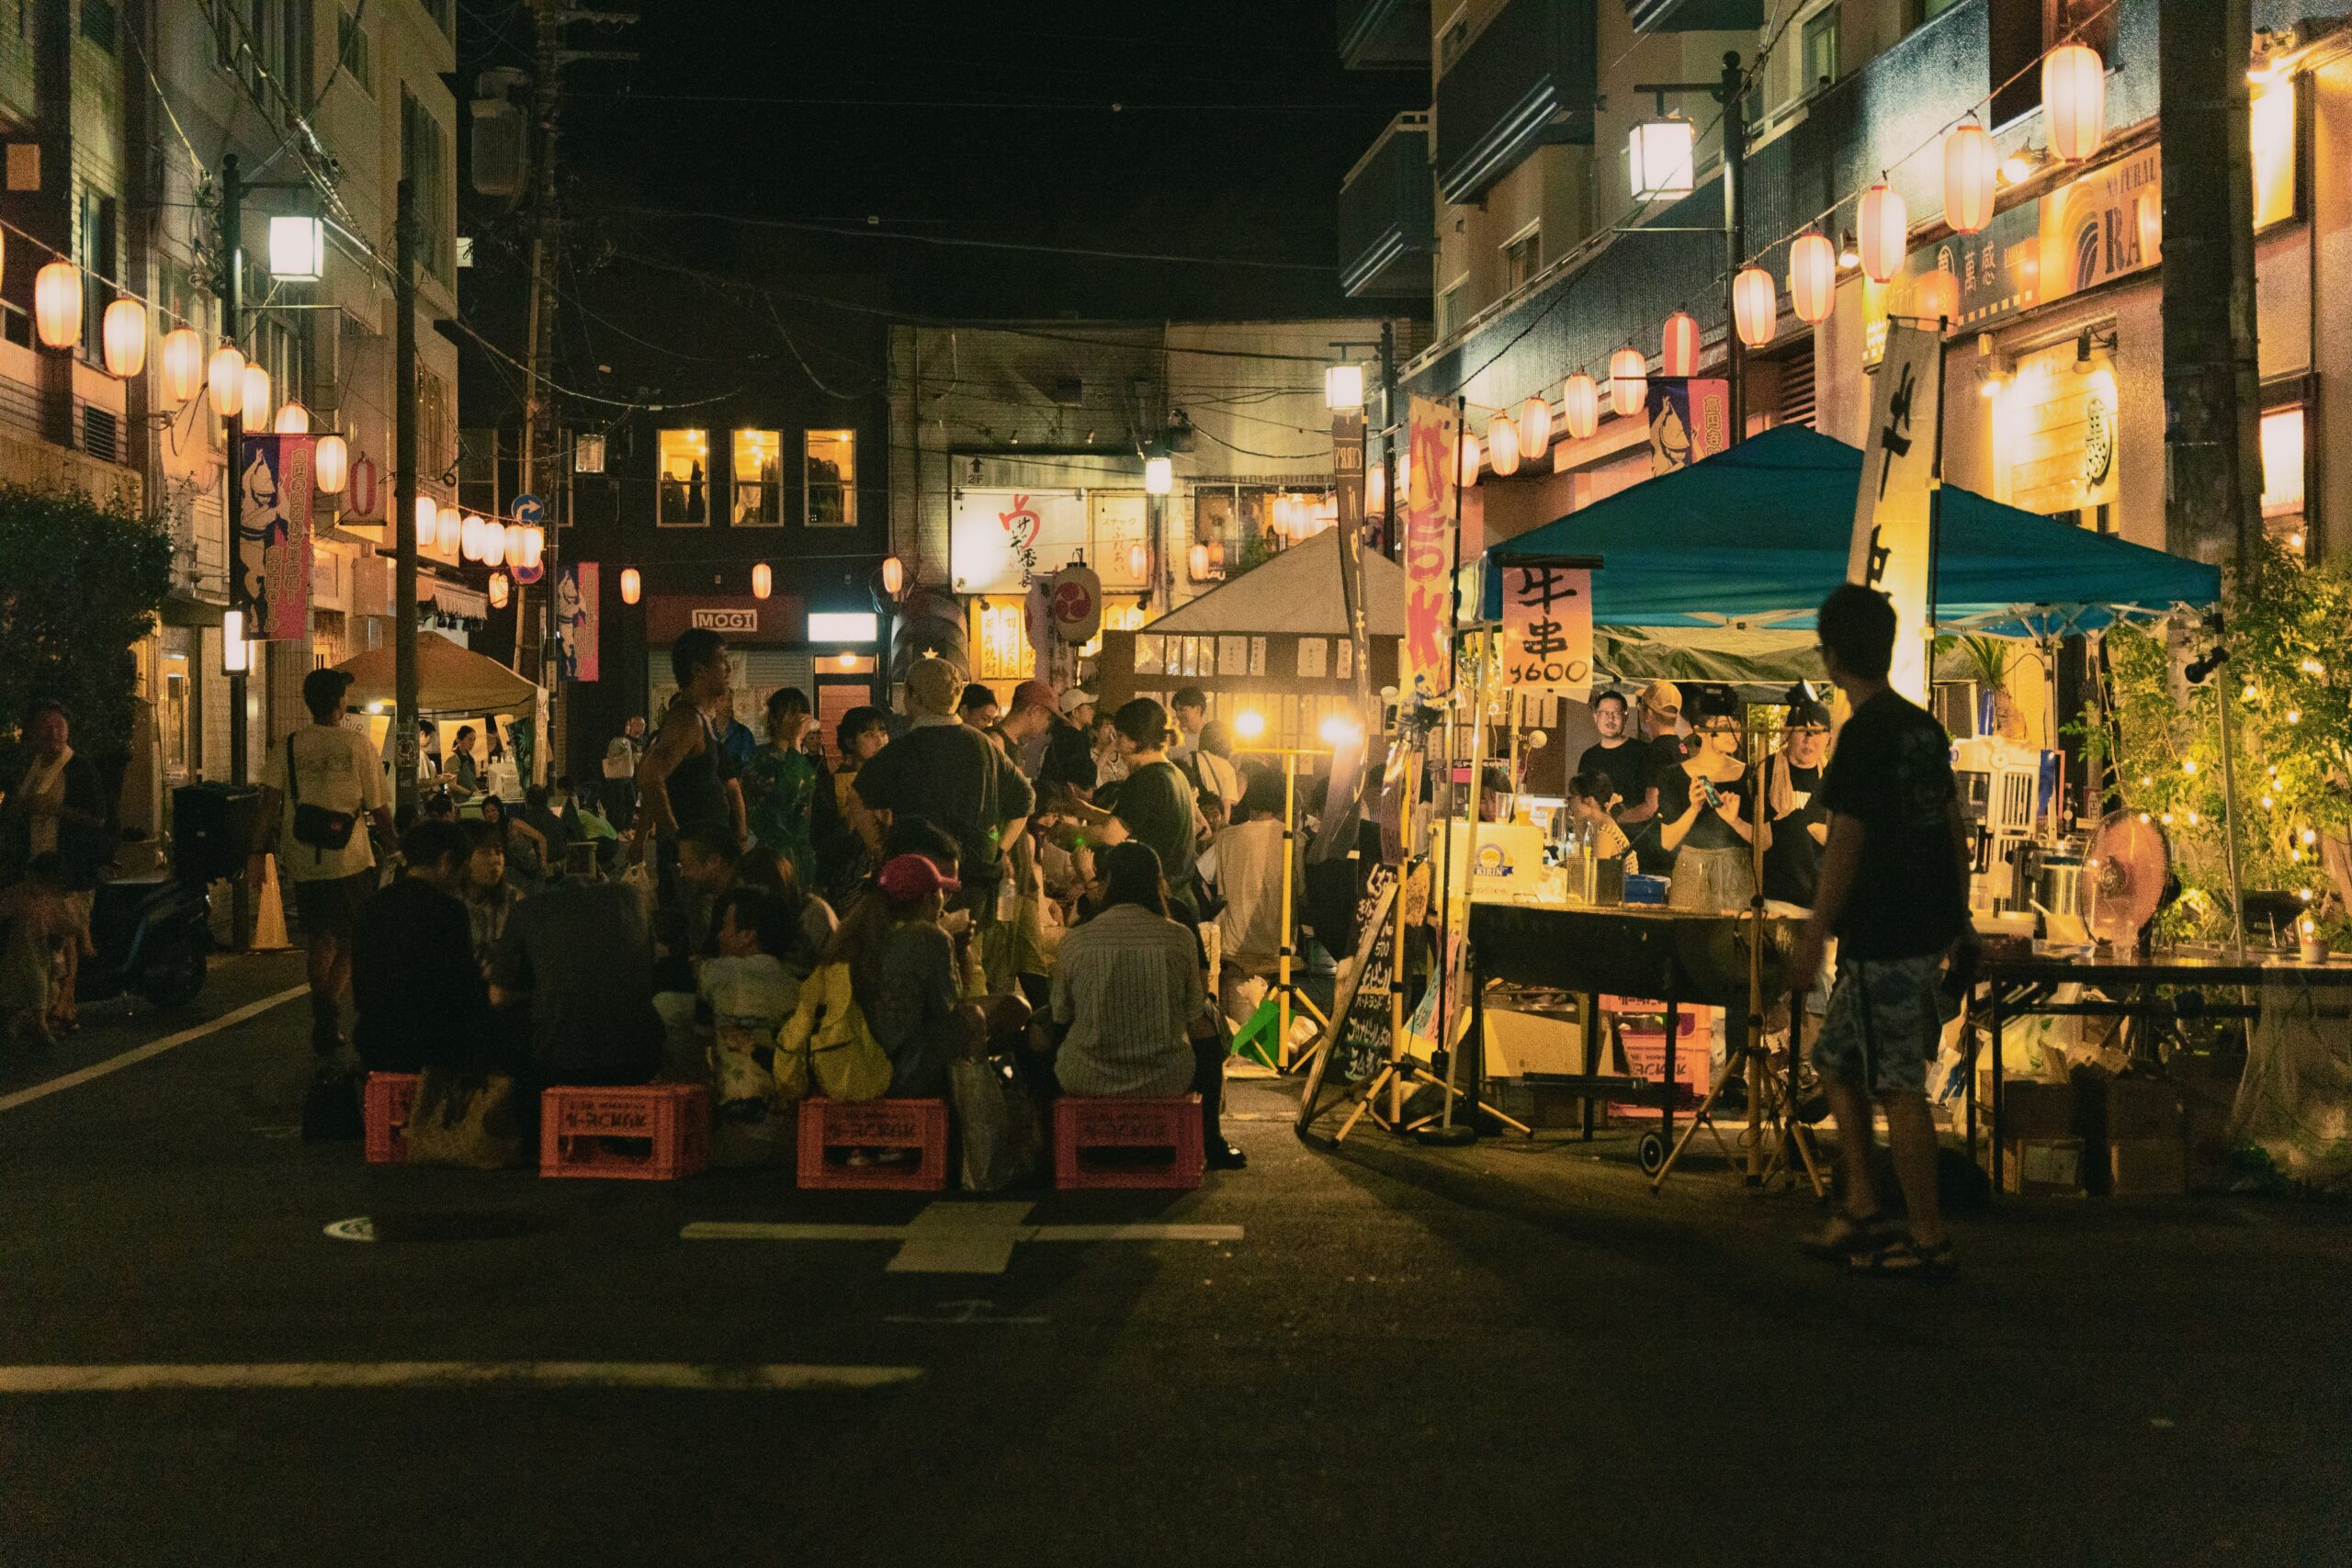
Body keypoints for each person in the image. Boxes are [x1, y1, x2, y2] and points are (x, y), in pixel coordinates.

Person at [1790, 584, 1970, 1278]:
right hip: (1924, 926)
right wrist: (1962, 918)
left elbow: (1846, 844)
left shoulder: (1862, 737)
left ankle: (1927, 1235)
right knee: (1834, 1061)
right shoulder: (1923, 729)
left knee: (1898, 1084)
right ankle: (1861, 1205)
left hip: (1882, 936)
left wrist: (1814, 935)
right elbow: (1953, 824)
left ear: (1834, 657)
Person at [1051, 842, 1244, 1168]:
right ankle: (1211, 1139)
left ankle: (1049, 1147)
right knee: (1205, 1027)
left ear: (1107, 881)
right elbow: (1194, 1011)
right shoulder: (1179, 935)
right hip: (1166, 1077)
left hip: (1086, 1077)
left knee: (1039, 1032)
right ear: (1159, 882)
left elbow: (1060, 1015)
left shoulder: (1076, 938)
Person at [250, 671, 394, 1055]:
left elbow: (268, 805)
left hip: (302, 855)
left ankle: (323, 1013)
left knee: (320, 936)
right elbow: (379, 809)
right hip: (349, 858)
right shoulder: (358, 745)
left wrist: (255, 853)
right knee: (352, 938)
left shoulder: (289, 744)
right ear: (340, 703)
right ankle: (327, 1009)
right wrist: (397, 846)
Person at [854, 656, 1033, 923]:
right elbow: (1026, 800)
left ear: (915, 697)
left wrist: (881, 850)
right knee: (968, 953)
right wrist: (998, 851)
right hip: (975, 881)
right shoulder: (986, 747)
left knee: (919, 952)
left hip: (917, 881)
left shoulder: (903, 750)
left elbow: (857, 797)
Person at [489, 870, 664, 1089]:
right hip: (640, 1058)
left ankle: (531, 1114)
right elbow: (649, 969)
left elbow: (497, 997)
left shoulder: (526, 909)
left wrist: (539, 990)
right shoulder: (633, 899)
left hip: (562, 1064)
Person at [351, 818, 486, 1075]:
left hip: (376, 1040)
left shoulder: (372, 906)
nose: (463, 876)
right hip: (431, 1047)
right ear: (446, 861)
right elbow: (459, 989)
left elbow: (361, 984)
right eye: (463, 867)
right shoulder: (448, 911)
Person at [824, 852, 966, 1099]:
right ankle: (974, 1131)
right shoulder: (930, 938)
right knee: (973, 1020)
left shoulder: (855, 935)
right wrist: (961, 951)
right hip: (904, 1074)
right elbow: (948, 1008)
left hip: (846, 1065)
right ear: (929, 899)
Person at [633, 626, 748, 864]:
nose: (729, 668)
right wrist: (680, 842)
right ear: (699, 670)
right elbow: (650, 777)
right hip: (693, 869)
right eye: (722, 659)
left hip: (703, 861)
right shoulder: (687, 719)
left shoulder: (698, 718)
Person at [1090, 698, 1206, 923]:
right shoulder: (1172, 773)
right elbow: (1133, 820)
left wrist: (1068, 833)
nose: (1117, 746)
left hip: (1158, 906)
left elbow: (1111, 835)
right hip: (1181, 903)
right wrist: (1085, 810)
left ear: (1137, 739)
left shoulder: (1147, 778)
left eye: (1120, 737)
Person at [699, 886, 801, 1140]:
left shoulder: (716, 974)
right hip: (787, 1137)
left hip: (728, 1140)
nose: (719, 935)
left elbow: (698, 1033)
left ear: (747, 936)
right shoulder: (797, 985)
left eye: (725, 926)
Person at [1656, 694, 1768, 913]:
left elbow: (1764, 841)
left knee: (1737, 941)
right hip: (1692, 868)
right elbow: (1667, 841)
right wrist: (1694, 808)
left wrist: (1734, 821)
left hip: (1738, 868)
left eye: (1737, 724)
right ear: (1701, 731)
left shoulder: (1750, 775)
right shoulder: (1674, 776)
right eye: (1725, 725)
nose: (1734, 731)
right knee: (1691, 939)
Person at [1206, 763, 1290, 1028]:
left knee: (1239, 1035)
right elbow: (1300, 894)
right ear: (1282, 801)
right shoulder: (1292, 838)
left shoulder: (1226, 838)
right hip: (1278, 947)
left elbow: (1216, 888)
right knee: (1268, 1036)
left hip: (1232, 948)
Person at [0, 852, 88, 1048]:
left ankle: (22, 1020)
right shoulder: (20, 895)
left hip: (42, 949)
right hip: (22, 948)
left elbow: (64, 923)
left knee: (48, 987)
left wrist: (73, 929)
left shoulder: (50, 900)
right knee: (37, 982)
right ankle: (40, 1024)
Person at [743, 685, 823, 888]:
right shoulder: (761, 759)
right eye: (790, 712)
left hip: (803, 856)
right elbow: (787, 797)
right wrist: (796, 742)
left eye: (801, 712)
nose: (797, 719)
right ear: (773, 719)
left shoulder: (800, 759)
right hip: (774, 858)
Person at [1762, 692, 1833, 912]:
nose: (1809, 739)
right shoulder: (1766, 771)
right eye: (1802, 731)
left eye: (1818, 732)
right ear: (1787, 733)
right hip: (1776, 897)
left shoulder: (1833, 777)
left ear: (1829, 737)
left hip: (1820, 898)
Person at [1578, 691, 1658, 829]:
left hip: (1637, 837)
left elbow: (1652, 805)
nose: (1610, 719)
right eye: (1604, 713)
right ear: (1595, 717)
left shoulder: (1644, 752)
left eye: (1616, 713)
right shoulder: (1588, 757)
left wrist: (1618, 819)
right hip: (1600, 835)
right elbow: (1581, 801)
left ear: (1626, 717)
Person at [458, 820, 520, 971]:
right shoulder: (448, 906)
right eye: (485, 852)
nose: (495, 860)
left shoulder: (513, 900)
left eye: (499, 851)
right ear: (463, 859)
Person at [1556, 771, 1635, 868]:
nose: (1570, 803)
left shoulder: (1604, 835)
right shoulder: (1605, 828)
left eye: (1572, 797)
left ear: (1590, 800)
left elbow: (1596, 878)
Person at [477, 793, 548, 890]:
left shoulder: (513, 824)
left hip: (529, 870)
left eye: (494, 810)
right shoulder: (489, 831)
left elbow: (541, 838)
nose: (491, 814)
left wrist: (543, 865)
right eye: (487, 812)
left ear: (500, 810)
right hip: (512, 872)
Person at [520, 783, 574, 872]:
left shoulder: (527, 821)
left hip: (539, 866)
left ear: (527, 802)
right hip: (560, 863)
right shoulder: (556, 820)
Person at [447, 725, 483, 799]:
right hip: (459, 801)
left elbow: (470, 783)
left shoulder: (469, 757)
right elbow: (452, 785)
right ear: (459, 740)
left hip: (469, 799)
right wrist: (470, 793)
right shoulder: (452, 758)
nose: (472, 743)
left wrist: (478, 793)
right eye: (469, 739)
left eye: (474, 740)